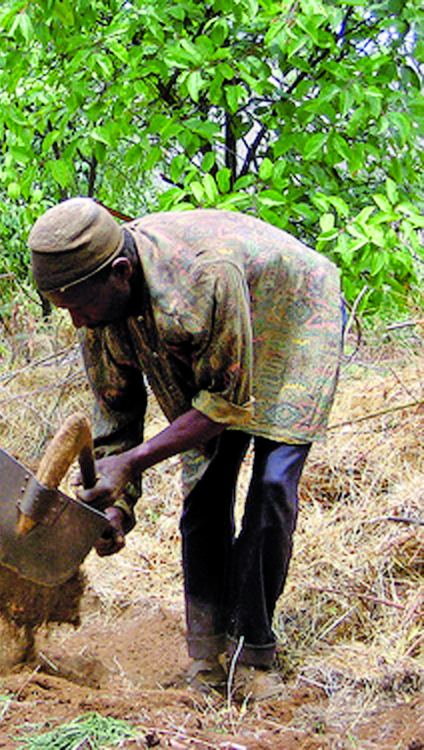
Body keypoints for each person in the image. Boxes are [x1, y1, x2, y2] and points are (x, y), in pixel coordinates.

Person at [27, 197, 343, 700]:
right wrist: (116, 507)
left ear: (121, 273)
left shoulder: (201, 279)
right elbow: (116, 414)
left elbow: (226, 404)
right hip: (220, 344)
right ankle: (207, 655)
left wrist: (133, 461)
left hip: (294, 318)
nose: (77, 324)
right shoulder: (96, 305)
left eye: (81, 309)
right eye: (67, 311)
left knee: (271, 489)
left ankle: (254, 653)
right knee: (204, 492)